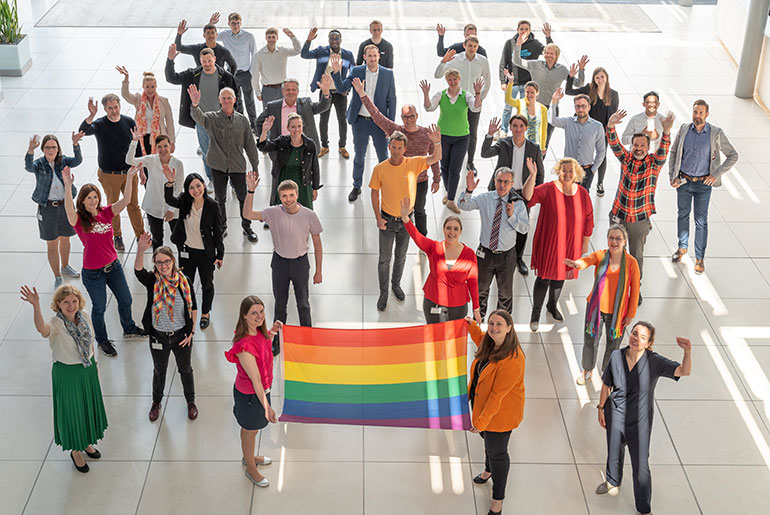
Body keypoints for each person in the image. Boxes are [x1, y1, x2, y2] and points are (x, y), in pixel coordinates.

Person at [597, 323, 692, 515]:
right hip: (614, 415)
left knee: (640, 466)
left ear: (649, 343)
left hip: (639, 422)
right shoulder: (616, 356)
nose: (635, 338)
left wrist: (688, 352)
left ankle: (644, 508)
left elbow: (684, 371)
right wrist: (600, 409)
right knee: (614, 451)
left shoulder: (654, 362)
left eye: (642, 337)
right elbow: (607, 384)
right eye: (634, 333)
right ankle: (613, 481)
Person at [20, 284, 108, 474]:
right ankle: (76, 450)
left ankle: (85, 442)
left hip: (87, 369)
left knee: (86, 407)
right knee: (72, 411)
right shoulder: (56, 323)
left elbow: (90, 342)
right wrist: (36, 306)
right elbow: (42, 330)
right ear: (58, 304)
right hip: (67, 373)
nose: (71, 306)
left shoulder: (83, 316)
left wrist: (95, 364)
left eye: (74, 301)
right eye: (66, 302)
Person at [62, 166, 145, 358]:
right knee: (99, 308)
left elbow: (126, 201)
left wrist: (131, 177)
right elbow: (68, 210)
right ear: (82, 201)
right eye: (89, 197)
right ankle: (102, 340)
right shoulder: (79, 221)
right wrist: (68, 186)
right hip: (93, 273)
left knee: (126, 299)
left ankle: (129, 327)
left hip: (113, 266)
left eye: (95, 196)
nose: (93, 200)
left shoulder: (106, 212)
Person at [243, 175, 323, 355]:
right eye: (285, 196)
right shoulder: (273, 212)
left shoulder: (309, 215)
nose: (288, 199)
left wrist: (319, 271)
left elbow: (318, 244)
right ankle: (277, 340)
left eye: (291, 195)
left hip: (300, 263)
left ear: (297, 195)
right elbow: (247, 214)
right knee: (280, 304)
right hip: (280, 262)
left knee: (303, 303)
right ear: (280, 197)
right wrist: (251, 191)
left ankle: (307, 340)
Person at [352, 76, 440, 236]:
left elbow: (433, 157)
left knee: (419, 210)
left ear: (417, 116)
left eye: (411, 116)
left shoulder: (427, 133)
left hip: (420, 180)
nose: (408, 120)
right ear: (401, 118)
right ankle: (400, 235)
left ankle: (423, 241)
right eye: (405, 117)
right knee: (399, 212)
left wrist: (436, 178)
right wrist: (362, 94)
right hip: (398, 180)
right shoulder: (396, 130)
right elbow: (376, 115)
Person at [605, 109, 675, 305]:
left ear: (647, 147)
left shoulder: (654, 163)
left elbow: (664, 150)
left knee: (635, 256)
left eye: (642, 145)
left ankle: (635, 289)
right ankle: (614, 286)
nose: (638, 148)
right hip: (618, 215)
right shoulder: (626, 159)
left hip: (639, 220)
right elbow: (614, 144)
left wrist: (667, 132)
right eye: (635, 144)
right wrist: (611, 125)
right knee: (615, 252)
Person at [369, 129, 442, 311]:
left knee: (400, 256)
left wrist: (437, 143)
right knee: (384, 259)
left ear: (405, 149)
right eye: (393, 147)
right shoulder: (380, 169)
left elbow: (435, 158)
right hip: (387, 220)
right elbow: (374, 192)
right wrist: (378, 218)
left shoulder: (413, 163)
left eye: (399, 148)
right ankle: (384, 292)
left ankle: (396, 285)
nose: (396, 151)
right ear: (389, 147)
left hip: (406, 222)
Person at [668, 99, 739, 275]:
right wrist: (672, 176)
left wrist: (715, 174)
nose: (697, 116)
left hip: (703, 185)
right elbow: (674, 152)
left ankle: (699, 259)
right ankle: (682, 248)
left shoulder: (715, 133)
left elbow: (733, 155)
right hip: (683, 182)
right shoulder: (684, 129)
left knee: (701, 222)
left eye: (701, 113)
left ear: (707, 114)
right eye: (695, 112)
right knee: (682, 216)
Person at [465, 310, 525, 515]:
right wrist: (471, 325)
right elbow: (481, 338)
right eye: (491, 323)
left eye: (499, 324)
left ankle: (498, 499)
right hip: (483, 408)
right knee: (487, 442)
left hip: (499, 416)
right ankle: (487, 471)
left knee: (497, 452)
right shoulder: (491, 343)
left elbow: (496, 397)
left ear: (509, 327)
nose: (494, 328)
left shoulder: (513, 359)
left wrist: (480, 422)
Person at [564, 225, 640, 385]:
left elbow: (634, 291)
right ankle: (587, 370)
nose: (614, 241)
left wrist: (630, 314)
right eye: (611, 238)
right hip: (596, 309)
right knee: (590, 340)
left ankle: (608, 373)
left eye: (618, 238)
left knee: (614, 345)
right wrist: (577, 264)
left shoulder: (632, 263)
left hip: (618, 312)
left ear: (625, 241)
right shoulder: (600, 255)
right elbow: (587, 260)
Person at [524, 158, 594, 331]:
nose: (567, 174)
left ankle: (552, 305)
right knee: (544, 277)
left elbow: (588, 218)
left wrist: (585, 241)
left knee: (561, 276)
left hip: (571, 243)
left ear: (576, 173)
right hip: (550, 242)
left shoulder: (583, 193)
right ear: (558, 171)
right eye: (564, 170)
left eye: (571, 171)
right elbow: (528, 196)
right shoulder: (549, 188)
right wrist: (532, 175)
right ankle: (535, 313)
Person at [134, 233, 198, 422]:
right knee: (159, 370)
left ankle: (191, 402)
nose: (163, 266)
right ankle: (156, 402)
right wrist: (140, 250)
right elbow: (138, 272)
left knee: (185, 369)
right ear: (155, 264)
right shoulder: (153, 281)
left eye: (166, 261)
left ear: (173, 261)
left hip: (181, 336)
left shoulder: (184, 281)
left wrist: (191, 332)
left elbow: (193, 307)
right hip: (158, 337)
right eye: (159, 262)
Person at [458, 166, 532, 320]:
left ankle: (501, 323)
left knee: (505, 293)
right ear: (494, 181)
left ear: (512, 184)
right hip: (485, 253)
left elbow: (524, 229)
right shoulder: (485, 198)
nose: (502, 185)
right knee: (481, 289)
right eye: (499, 181)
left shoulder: (517, 204)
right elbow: (463, 205)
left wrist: (512, 216)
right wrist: (469, 191)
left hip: (506, 256)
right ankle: (480, 319)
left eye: (506, 182)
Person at [188, 84, 260, 242]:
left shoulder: (242, 121)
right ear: (219, 100)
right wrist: (195, 104)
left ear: (234, 100)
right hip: (218, 166)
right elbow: (198, 117)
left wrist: (255, 167)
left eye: (229, 98)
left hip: (237, 166)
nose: (227, 101)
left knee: (243, 197)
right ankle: (222, 227)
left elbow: (250, 145)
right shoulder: (212, 118)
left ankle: (246, 226)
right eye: (224, 98)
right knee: (220, 199)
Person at [225, 296, 282, 487]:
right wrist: (267, 407)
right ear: (244, 316)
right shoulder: (244, 347)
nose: (259, 317)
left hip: (260, 391)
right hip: (251, 396)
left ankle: (248, 457)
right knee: (250, 431)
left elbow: (264, 345)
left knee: (250, 429)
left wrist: (273, 331)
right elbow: (256, 381)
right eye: (254, 313)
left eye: (261, 311)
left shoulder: (259, 332)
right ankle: (251, 468)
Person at [165, 44, 239, 191]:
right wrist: (170, 60)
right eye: (204, 61)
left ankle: (232, 182)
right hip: (202, 121)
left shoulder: (225, 76)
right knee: (207, 153)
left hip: (222, 120)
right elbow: (171, 78)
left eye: (209, 61)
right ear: (200, 60)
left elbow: (237, 98)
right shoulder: (193, 75)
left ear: (215, 59)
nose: (206, 64)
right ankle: (212, 179)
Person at [481, 114, 545, 276]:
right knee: (496, 222)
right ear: (510, 128)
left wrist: (532, 194)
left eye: (521, 126)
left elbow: (539, 175)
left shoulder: (534, 148)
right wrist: (490, 135)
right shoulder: (503, 143)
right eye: (514, 126)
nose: (517, 129)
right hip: (502, 190)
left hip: (522, 194)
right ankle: (492, 251)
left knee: (521, 228)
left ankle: (518, 258)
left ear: (526, 128)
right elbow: (485, 153)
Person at [331, 46, 397, 202]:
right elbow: (341, 88)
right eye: (370, 56)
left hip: (379, 123)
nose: (373, 59)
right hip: (360, 120)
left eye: (375, 56)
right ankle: (357, 186)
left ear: (378, 57)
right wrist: (337, 72)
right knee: (359, 156)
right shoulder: (357, 71)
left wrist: (390, 126)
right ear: (364, 57)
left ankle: (386, 185)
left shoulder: (388, 74)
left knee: (383, 157)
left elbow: (392, 100)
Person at [399, 197, 480, 324]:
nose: (451, 232)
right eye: (448, 228)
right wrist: (405, 218)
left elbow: (473, 282)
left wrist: (476, 308)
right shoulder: (434, 247)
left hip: (458, 306)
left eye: (455, 229)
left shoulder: (469, 254)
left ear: (460, 232)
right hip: (433, 302)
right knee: (435, 337)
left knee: (453, 339)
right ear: (443, 230)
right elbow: (417, 237)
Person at [78, 94, 143, 251]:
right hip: (109, 175)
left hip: (129, 173)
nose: (114, 111)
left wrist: (142, 169)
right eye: (110, 108)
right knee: (113, 207)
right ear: (105, 109)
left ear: (119, 106)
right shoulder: (99, 124)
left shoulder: (129, 122)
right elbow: (83, 131)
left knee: (133, 204)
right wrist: (91, 115)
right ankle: (117, 236)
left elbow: (138, 146)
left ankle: (140, 235)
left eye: (116, 107)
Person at [163, 169, 224, 331]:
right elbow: (169, 199)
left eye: (198, 186)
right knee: (185, 284)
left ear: (204, 185)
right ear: (187, 190)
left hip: (206, 254)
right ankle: (188, 311)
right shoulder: (184, 201)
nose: (196, 190)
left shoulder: (212, 205)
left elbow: (218, 231)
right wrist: (170, 183)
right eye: (191, 188)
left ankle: (205, 313)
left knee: (207, 285)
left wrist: (220, 254)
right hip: (187, 252)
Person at [25, 132, 84, 288]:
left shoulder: (63, 161)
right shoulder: (39, 164)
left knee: (66, 238)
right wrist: (30, 150)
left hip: (66, 206)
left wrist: (76, 145)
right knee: (52, 243)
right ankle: (57, 275)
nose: (51, 150)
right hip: (47, 208)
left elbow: (78, 160)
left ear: (58, 149)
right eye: (47, 147)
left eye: (54, 147)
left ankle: (65, 266)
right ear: (43, 149)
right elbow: (29, 167)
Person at [421, 71, 483, 213]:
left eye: (455, 79)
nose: (452, 82)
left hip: (462, 137)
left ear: (459, 79)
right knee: (445, 167)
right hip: (443, 136)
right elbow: (429, 108)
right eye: (449, 79)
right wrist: (426, 93)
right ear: (446, 80)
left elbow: (475, 107)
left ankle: (450, 200)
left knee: (455, 169)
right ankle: (449, 193)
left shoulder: (466, 95)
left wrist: (478, 93)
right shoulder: (441, 95)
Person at [434, 36, 490, 175]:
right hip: (456, 102)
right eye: (470, 45)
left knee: (473, 133)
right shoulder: (456, 59)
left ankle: (470, 162)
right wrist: (443, 61)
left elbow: (488, 81)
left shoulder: (483, 62)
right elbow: (437, 75)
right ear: (464, 45)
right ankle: (445, 164)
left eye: (475, 46)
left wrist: (480, 98)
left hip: (473, 103)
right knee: (449, 133)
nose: (472, 49)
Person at [512, 40, 582, 148]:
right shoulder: (535, 64)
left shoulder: (562, 70)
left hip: (551, 109)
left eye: (551, 53)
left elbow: (579, 84)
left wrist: (580, 71)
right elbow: (517, 61)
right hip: (534, 107)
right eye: (546, 53)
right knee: (528, 135)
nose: (548, 55)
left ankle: (539, 161)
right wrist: (518, 45)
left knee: (545, 139)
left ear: (557, 55)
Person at [565, 61, 620, 197]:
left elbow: (613, 113)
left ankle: (600, 182)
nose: (600, 80)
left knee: (602, 155)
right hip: (586, 127)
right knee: (580, 153)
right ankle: (575, 177)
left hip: (602, 129)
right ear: (594, 79)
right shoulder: (589, 90)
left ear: (606, 78)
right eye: (597, 77)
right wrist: (571, 77)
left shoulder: (613, 94)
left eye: (602, 77)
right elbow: (569, 91)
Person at [301, 28, 355, 159]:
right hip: (325, 92)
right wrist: (308, 40)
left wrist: (347, 89)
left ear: (341, 40)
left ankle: (342, 146)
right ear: (329, 40)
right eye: (332, 38)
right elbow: (304, 55)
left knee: (342, 120)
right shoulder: (321, 51)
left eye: (337, 38)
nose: (334, 40)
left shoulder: (347, 54)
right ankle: (324, 146)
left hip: (340, 93)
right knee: (323, 120)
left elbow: (353, 71)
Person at [125, 130, 184, 250]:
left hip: (172, 206)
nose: (163, 149)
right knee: (157, 238)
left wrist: (171, 210)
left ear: (170, 146)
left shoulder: (178, 164)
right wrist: (134, 142)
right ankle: (158, 263)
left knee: (179, 238)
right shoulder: (151, 160)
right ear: (156, 148)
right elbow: (129, 160)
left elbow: (179, 187)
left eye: (165, 146)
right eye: (159, 147)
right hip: (153, 206)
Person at [498, 20, 553, 138]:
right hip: (513, 82)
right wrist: (503, 81)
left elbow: (550, 51)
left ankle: (523, 130)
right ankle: (504, 129)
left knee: (524, 109)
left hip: (527, 84)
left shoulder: (535, 44)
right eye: (521, 29)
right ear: (517, 30)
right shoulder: (510, 43)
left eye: (526, 29)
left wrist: (548, 37)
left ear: (530, 31)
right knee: (508, 107)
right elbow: (503, 62)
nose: (523, 31)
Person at [255, 76, 331, 157]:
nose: (291, 92)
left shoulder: (306, 104)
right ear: (282, 91)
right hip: (280, 151)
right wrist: (264, 139)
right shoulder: (273, 107)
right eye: (288, 90)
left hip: (304, 151)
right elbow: (259, 122)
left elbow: (323, 107)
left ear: (298, 91)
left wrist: (326, 93)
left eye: (293, 89)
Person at [258, 113, 321, 209]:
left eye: (299, 126)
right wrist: (264, 131)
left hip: (303, 182)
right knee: (282, 211)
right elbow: (263, 146)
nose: (296, 129)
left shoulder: (310, 144)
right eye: (293, 127)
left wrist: (315, 188)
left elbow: (315, 168)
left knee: (304, 212)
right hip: (284, 180)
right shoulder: (282, 141)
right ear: (288, 128)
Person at [549, 89, 606, 192]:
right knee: (565, 196)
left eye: (583, 106)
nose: (580, 109)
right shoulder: (568, 122)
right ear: (575, 108)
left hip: (586, 170)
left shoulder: (597, 126)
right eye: (577, 106)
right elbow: (553, 121)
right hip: (567, 169)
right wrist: (554, 102)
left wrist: (593, 170)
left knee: (582, 199)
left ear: (589, 107)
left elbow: (601, 151)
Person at [209, 12, 259, 129]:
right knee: (236, 100)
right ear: (228, 24)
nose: (235, 26)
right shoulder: (225, 35)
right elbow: (212, 35)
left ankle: (254, 125)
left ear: (240, 23)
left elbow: (254, 54)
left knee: (249, 100)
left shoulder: (249, 36)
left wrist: (251, 72)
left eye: (237, 23)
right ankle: (241, 124)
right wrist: (211, 23)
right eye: (233, 24)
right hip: (232, 74)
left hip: (245, 73)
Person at [116, 68, 175, 155]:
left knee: (158, 163)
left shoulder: (164, 101)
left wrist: (172, 141)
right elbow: (126, 95)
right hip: (142, 137)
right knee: (144, 163)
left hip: (159, 138)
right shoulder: (138, 99)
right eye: (147, 87)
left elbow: (170, 123)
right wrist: (126, 79)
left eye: (152, 87)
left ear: (156, 86)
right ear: (143, 86)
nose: (150, 90)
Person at [252, 27, 301, 110]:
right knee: (269, 114)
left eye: (273, 37)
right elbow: (255, 74)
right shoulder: (259, 55)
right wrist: (257, 92)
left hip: (282, 88)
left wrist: (292, 37)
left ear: (277, 38)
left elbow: (297, 50)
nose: (271, 40)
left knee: (284, 112)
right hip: (268, 90)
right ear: (266, 38)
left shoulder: (282, 51)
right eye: (269, 37)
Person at [502, 80, 548, 152]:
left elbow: (543, 129)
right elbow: (508, 100)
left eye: (532, 92)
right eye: (527, 92)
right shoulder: (520, 103)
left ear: (537, 93)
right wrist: (510, 83)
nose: (529, 95)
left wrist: (542, 147)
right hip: (520, 143)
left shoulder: (543, 109)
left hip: (535, 145)